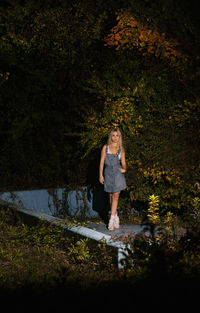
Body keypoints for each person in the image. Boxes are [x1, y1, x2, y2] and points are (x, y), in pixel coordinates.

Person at [99, 128, 127, 230]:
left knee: (116, 196)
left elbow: (123, 163)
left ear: (119, 137)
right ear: (111, 137)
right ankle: (115, 216)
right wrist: (100, 175)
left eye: (117, 136)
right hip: (107, 174)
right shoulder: (105, 148)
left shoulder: (121, 149)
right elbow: (102, 162)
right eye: (113, 135)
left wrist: (124, 169)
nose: (115, 138)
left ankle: (111, 220)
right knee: (111, 195)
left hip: (117, 174)